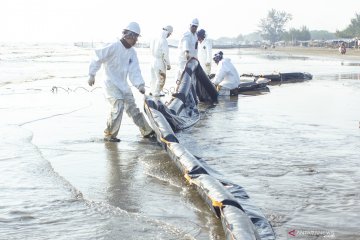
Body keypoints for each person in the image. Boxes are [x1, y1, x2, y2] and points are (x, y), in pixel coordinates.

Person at [88, 21, 154, 142]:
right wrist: (92, 74)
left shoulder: (132, 52)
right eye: (135, 38)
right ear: (128, 35)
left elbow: (135, 70)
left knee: (132, 108)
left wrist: (140, 85)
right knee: (118, 105)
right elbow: (97, 57)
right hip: (110, 83)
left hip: (123, 85)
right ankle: (109, 134)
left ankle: (147, 131)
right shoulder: (113, 45)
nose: (136, 41)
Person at [149, 25, 173, 97]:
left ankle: (152, 91)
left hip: (152, 60)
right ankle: (157, 93)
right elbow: (165, 54)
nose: (169, 35)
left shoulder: (154, 38)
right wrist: (168, 64)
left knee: (153, 78)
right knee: (161, 78)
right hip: (159, 61)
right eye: (170, 34)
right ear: (168, 32)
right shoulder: (163, 41)